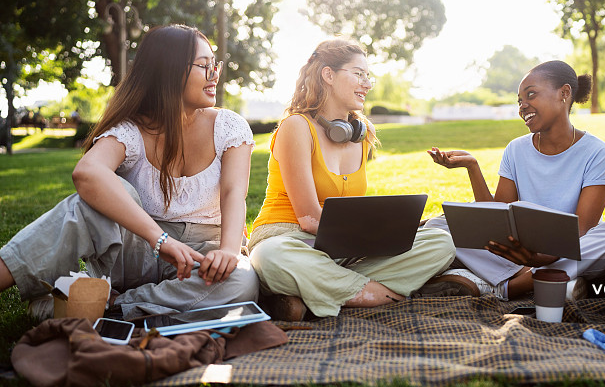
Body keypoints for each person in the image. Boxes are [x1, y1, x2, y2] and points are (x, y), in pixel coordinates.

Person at [0, 25, 259, 320]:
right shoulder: (131, 130)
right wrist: (161, 240)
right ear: (169, 71)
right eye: (204, 65)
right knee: (92, 201)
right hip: (139, 253)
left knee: (242, 281)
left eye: (215, 65)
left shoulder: (230, 127)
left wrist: (228, 251)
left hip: (204, 256)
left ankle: (110, 305)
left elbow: (233, 193)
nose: (215, 74)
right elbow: (87, 173)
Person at [247, 38, 458, 321]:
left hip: (339, 249)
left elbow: (351, 211)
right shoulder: (296, 127)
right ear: (328, 75)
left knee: (440, 242)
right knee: (272, 258)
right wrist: (368, 235)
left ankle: (312, 297)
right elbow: (309, 218)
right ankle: (375, 293)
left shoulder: (362, 135)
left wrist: (387, 232)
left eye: (368, 76)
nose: (367, 84)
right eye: (358, 74)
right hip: (289, 238)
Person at [422, 60, 605, 301]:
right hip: (519, 254)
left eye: (531, 95)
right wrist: (472, 167)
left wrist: (538, 259)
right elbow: (496, 216)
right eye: (519, 101)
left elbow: (581, 231)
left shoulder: (596, 151)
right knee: (438, 226)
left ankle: (509, 286)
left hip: (568, 249)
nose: (522, 106)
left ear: (564, 94)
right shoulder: (516, 149)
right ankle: (554, 280)